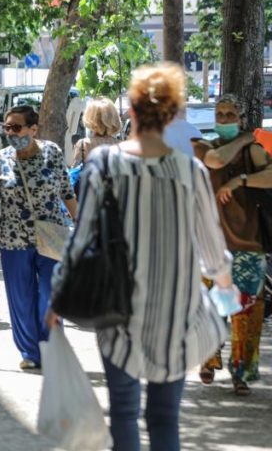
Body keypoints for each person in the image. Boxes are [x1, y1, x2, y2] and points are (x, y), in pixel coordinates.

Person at [49, 63, 234, 450]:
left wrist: (58, 294)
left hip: (118, 311)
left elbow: (81, 237)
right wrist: (225, 291)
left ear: (130, 111)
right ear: (172, 114)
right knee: (165, 418)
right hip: (177, 314)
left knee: (123, 415)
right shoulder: (191, 171)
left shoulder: (104, 165)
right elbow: (212, 247)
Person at [0, 105, 77, 370]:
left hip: (52, 235)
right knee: (21, 298)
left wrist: (81, 226)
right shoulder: (0, 158)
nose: (11, 133)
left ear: (33, 129)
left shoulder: (52, 152)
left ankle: (51, 347)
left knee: (49, 295)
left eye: (16, 127)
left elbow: (66, 192)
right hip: (13, 239)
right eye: (7, 127)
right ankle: (30, 352)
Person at [193, 93, 272, 395]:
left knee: (248, 312)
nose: (224, 119)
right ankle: (207, 360)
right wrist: (243, 138)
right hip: (208, 244)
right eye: (220, 113)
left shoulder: (254, 152)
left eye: (230, 114)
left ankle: (241, 372)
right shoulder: (203, 146)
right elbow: (216, 161)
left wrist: (241, 179)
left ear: (239, 117)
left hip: (249, 244)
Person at [71, 97, 121, 167]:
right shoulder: (122, 146)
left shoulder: (83, 144)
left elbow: (74, 173)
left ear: (90, 119)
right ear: (114, 118)